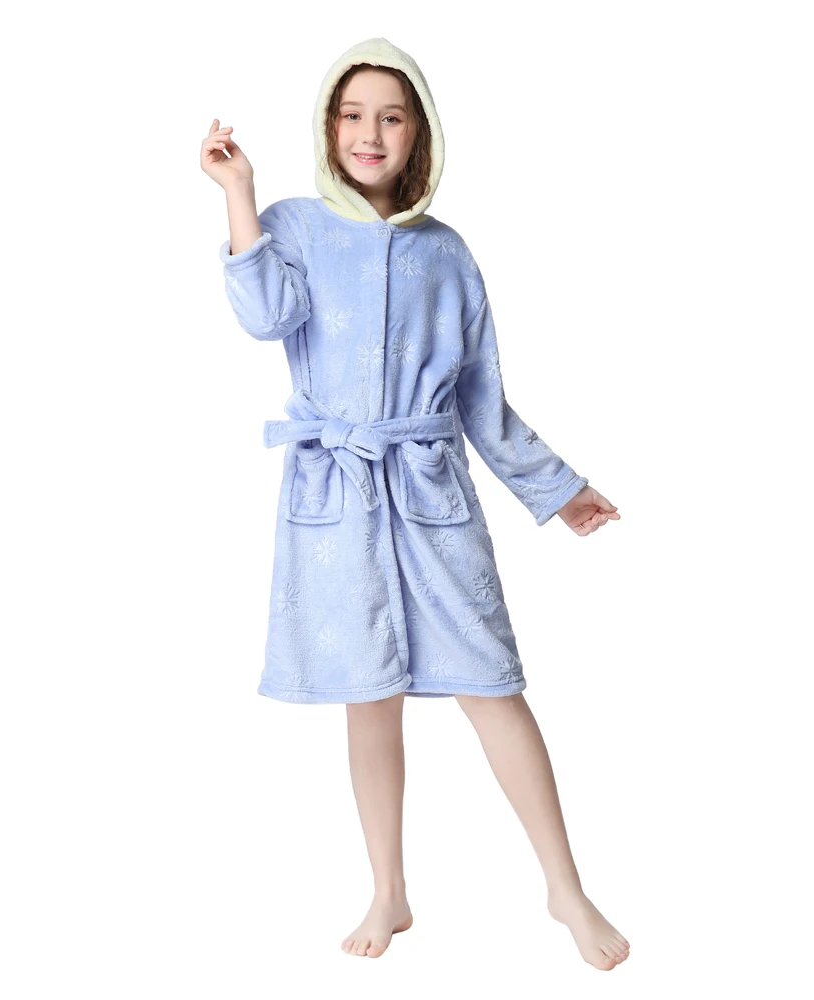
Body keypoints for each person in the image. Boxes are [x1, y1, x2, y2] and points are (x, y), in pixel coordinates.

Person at [200, 37, 628, 970]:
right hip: (337, 493)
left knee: (493, 685)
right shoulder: (295, 226)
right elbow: (265, 316)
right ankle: (388, 890)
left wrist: (558, 490)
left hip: (431, 491)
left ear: (419, 132)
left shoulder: (447, 252)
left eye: (391, 116)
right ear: (328, 128)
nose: (370, 133)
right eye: (352, 115)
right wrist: (238, 193)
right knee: (369, 694)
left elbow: (481, 398)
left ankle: (564, 886)